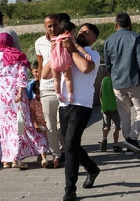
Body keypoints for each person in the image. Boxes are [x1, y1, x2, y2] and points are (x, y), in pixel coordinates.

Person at [0, 33, 48, 169]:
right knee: (21, 125)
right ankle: (17, 158)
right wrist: (21, 93)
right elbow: (23, 77)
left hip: (0, 95)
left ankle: (7, 160)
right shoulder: (18, 55)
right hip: (16, 94)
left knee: (5, 126)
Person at [58, 23, 102, 201]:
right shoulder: (66, 51)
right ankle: (92, 168)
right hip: (64, 104)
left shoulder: (93, 55)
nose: (82, 33)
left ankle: (70, 189)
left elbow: (84, 68)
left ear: (94, 39)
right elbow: (45, 74)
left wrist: (73, 49)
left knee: (69, 145)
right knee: (70, 144)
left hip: (82, 104)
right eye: (81, 31)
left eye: (87, 32)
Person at [103, 13, 140, 155]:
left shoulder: (108, 40)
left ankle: (129, 146)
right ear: (130, 24)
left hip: (117, 82)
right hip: (134, 80)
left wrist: (115, 75)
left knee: (124, 115)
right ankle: (132, 138)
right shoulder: (135, 37)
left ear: (116, 25)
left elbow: (107, 64)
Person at [35, 14, 63, 168]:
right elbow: (40, 66)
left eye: (55, 25)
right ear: (44, 26)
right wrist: (38, 87)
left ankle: (66, 149)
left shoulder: (65, 39)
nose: (53, 28)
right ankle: (56, 155)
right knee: (50, 126)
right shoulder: (39, 42)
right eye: (50, 26)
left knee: (62, 125)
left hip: (64, 88)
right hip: (46, 88)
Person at [51, 20, 91, 103]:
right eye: (73, 32)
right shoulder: (68, 37)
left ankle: (58, 94)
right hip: (65, 61)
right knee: (68, 79)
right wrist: (85, 53)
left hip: (54, 62)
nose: (73, 34)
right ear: (67, 32)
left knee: (56, 79)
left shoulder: (55, 39)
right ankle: (70, 95)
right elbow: (78, 46)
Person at [29, 81, 50, 168]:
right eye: (37, 93)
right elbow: (33, 115)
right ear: (34, 92)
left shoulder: (45, 100)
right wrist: (36, 125)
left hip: (47, 124)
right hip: (39, 125)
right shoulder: (33, 103)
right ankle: (44, 159)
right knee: (41, 141)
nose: (39, 95)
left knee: (46, 142)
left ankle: (40, 157)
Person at [99, 76, 122, 153]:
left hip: (105, 106)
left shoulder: (104, 79)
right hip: (115, 106)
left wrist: (102, 105)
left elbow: (100, 93)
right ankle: (115, 145)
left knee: (106, 125)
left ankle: (104, 138)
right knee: (116, 126)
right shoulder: (117, 78)